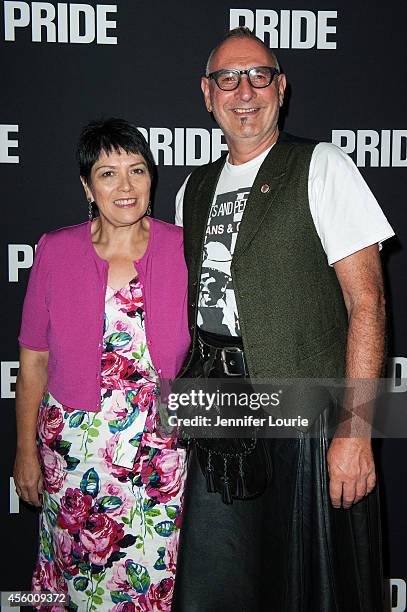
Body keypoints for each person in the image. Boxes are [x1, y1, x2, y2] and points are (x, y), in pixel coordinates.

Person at [173, 27, 394, 611]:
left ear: (281, 87)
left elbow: (367, 304)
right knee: (221, 586)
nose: (244, 91)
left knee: (306, 590)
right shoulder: (192, 188)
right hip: (218, 414)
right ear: (207, 93)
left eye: (259, 76)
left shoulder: (322, 165)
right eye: (228, 78)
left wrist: (355, 431)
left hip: (307, 416)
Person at [14, 118, 190, 611]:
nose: (126, 186)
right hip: (75, 459)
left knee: (155, 584)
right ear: (87, 186)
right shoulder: (55, 250)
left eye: (137, 170)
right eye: (108, 173)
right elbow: (33, 363)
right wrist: (25, 452)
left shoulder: (183, 247)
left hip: (161, 458)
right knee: (78, 580)